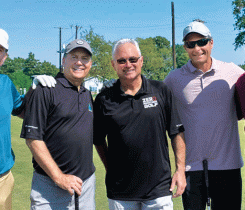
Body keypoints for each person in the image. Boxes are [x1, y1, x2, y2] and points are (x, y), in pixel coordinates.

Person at [94, 38, 186, 210]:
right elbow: (98, 139)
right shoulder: (103, 99)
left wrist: (180, 170)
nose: (127, 64)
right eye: (121, 61)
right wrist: (111, 168)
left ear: (141, 61)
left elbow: (176, 132)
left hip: (159, 190)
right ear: (113, 64)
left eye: (132, 59)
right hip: (121, 193)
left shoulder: (161, 90)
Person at [164, 20, 244, 210]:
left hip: (228, 167)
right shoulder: (174, 79)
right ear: (185, 47)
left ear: (211, 43)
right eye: (191, 44)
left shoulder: (232, 71)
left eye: (202, 42)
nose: (197, 48)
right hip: (191, 171)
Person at [20, 39, 96, 209]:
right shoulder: (45, 89)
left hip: (85, 187)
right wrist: (59, 177)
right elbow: (33, 139)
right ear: (63, 61)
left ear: (90, 63)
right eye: (74, 56)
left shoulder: (86, 94)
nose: (79, 62)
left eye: (84, 58)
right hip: (50, 186)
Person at [0, 28, 55, 210]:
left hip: (2, 177)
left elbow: (21, 111)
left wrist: (34, 89)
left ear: (5, 57)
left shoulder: (6, 83)